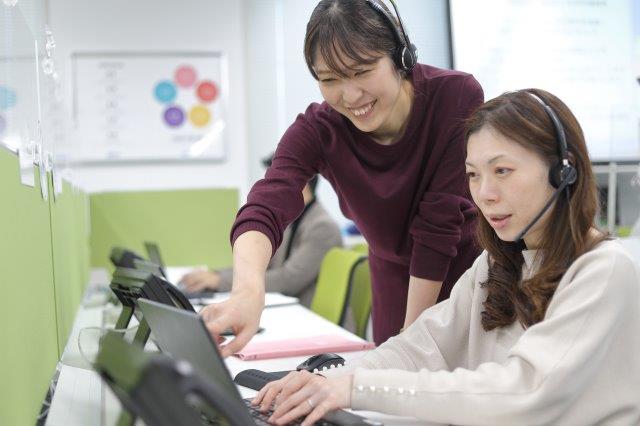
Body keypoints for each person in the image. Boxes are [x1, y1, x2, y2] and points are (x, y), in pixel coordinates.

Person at [252, 89, 640, 425]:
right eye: (472, 175)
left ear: (564, 171)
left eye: (501, 170)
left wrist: (357, 388)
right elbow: (420, 347)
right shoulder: (497, 263)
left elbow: (524, 391)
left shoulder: (602, 271)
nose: (484, 193)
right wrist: (328, 380)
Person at [200, 0, 484, 355]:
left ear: (400, 55)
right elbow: (265, 206)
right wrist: (246, 291)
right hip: (393, 283)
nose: (350, 96)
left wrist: (411, 342)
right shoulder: (320, 130)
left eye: (362, 70)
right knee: (393, 403)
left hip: (466, 279)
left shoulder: (455, 95)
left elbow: (438, 226)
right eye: (330, 79)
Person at [179, 155, 342, 308]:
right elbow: (263, 266)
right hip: (288, 309)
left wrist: (219, 281)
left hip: (313, 318)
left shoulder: (322, 228)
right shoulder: (291, 220)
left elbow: (288, 280)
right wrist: (214, 274)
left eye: (277, 182)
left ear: (302, 183)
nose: (270, 190)